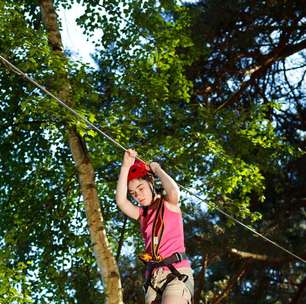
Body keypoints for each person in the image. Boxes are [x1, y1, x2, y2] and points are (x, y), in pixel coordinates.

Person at [116, 149, 194, 304]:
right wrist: (125, 167)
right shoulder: (142, 215)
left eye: (141, 188)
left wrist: (157, 169)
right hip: (153, 280)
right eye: (133, 193)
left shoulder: (168, 204)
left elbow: (173, 190)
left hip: (177, 272)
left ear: (151, 184)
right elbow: (121, 202)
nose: (138, 195)